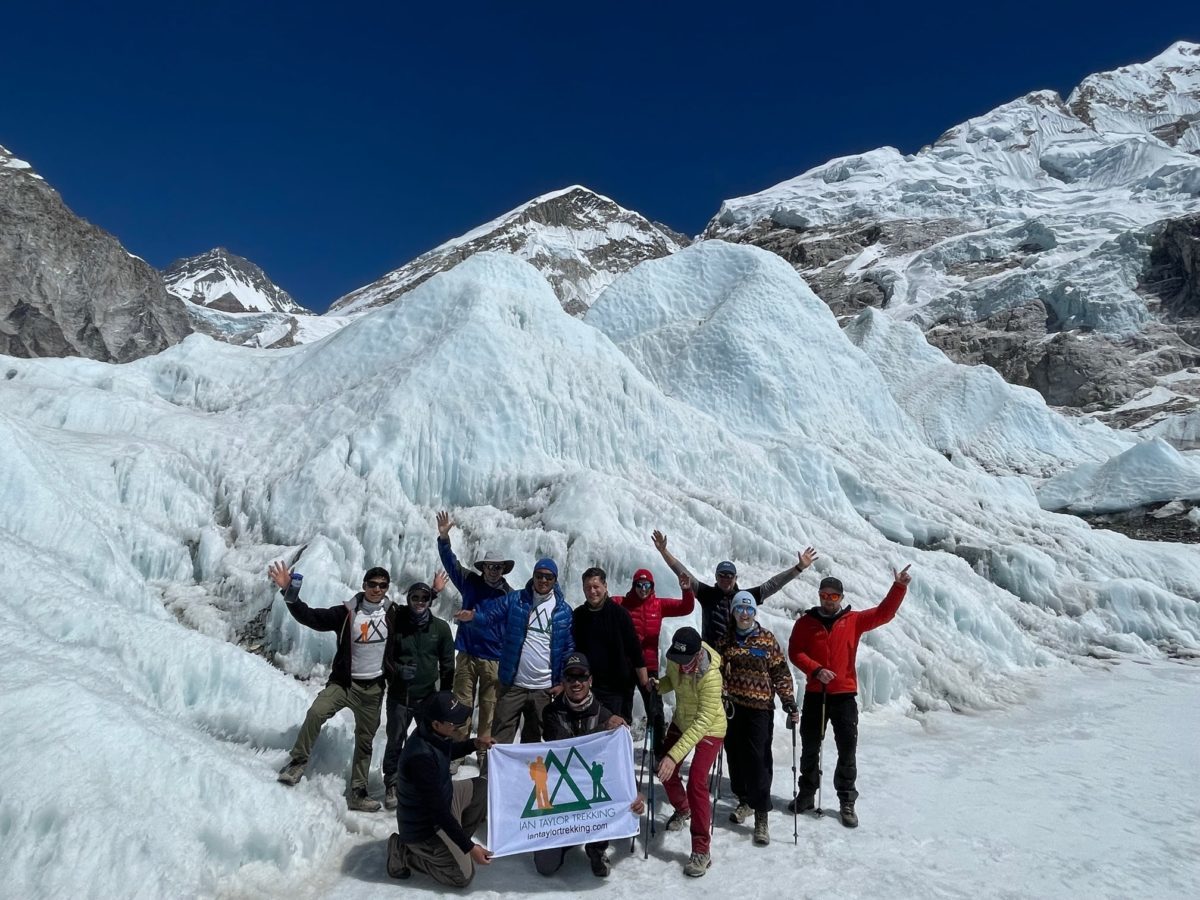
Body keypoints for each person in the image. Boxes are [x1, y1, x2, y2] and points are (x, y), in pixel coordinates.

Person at [787, 565, 912, 828]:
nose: (828, 600)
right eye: (825, 595)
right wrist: (816, 669)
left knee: (847, 750)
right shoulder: (805, 623)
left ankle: (846, 800)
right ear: (819, 595)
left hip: (844, 696)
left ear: (841, 598)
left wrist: (899, 587)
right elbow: (795, 651)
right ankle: (807, 794)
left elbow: (884, 613)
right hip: (815, 694)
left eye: (834, 596)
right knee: (810, 746)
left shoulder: (853, 620)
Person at [269, 561, 392, 811]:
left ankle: (358, 792)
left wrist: (432, 593)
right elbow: (311, 617)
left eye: (382, 585)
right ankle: (297, 762)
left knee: (365, 740)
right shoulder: (346, 613)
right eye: (372, 584)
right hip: (345, 684)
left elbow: (418, 612)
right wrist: (289, 592)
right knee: (317, 712)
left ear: (387, 588)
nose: (377, 589)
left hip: (373, 689)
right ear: (364, 585)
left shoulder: (393, 614)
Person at [534, 652, 645, 878]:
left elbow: (618, 762)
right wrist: (602, 730)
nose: (576, 683)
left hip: (591, 793)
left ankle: (596, 846)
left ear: (590, 680)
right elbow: (565, 748)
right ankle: (566, 839)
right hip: (562, 795)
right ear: (563, 681)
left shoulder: (605, 714)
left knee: (604, 796)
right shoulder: (552, 713)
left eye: (581, 677)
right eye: (570, 677)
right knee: (545, 866)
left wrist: (635, 793)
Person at [454, 557, 574, 744]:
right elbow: (491, 617)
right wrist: (473, 616)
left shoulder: (564, 611)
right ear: (533, 576)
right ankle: (489, 774)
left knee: (533, 740)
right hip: (513, 684)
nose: (543, 580)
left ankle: (525, 775)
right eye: (539, 576)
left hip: (543, 688)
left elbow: (567, 649)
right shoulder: (515, 599)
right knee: (499, 737)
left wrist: (562, 682)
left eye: (548, 577)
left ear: (555, 580)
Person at [387, 692, 494, 887]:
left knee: (483, 788)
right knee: (463, 876)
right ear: (436, 724)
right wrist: (469, 847)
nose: (457, 725)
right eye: (453, 722)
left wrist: (474, 744)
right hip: (425, 828)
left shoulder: (433, 734)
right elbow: (439, 814)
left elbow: (447, 750)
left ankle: (453, 843)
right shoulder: (420, 758)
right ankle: (405, 853)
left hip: (444, 797)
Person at [719, 591, 798, 846]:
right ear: (733, 612)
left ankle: (761, 815)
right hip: (732, 709)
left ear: (754, 613)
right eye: (740, 609)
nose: (744, 613)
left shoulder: (766, 639)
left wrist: (788, 701)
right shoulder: (726, 640)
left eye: (748, 609)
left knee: (758, 760)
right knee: (735, 756)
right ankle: (744, 801)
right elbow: (717, 672)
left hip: (759, 710)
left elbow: (781, 673)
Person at [652, 529, 818, 646]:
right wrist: (664, 551)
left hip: (738, 656)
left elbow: (773, 585)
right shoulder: (707, 594)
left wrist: (799, 568)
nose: (725, 579)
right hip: (711, 657)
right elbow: (683, 573)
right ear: (716, 577)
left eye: (729, 576)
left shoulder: (745, 597)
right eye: (722, 575)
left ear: (735, 578)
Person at [436, 510, 511, 766]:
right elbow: (451, 563)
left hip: (493, 658)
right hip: (467, 653)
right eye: (489, 567)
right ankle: (457, 750)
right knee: (462, 704)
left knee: (489, 707)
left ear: (503, 570)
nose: (492, 571)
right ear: (484, 568)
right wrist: (444, 538)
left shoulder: (508, 595)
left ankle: (484, 751)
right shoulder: (470, 581)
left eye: (497, 567)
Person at [652, 626, 726, 878]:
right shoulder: (675, 660)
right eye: (677, 660)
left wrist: (675, 756)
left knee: (696, 780)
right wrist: (658, 686)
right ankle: (683, 808)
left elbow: (704, 720)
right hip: (683, 720)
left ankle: (701, 850)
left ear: (698, 654)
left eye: (687, 661)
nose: (681, 666)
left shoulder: (712, 677)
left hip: (710, 728)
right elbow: (672, 681)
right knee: (663, 767)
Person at [381, 575, 455, 811]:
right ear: (409, 599)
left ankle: (431, 780)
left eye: (425, 598)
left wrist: (445, 697)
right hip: (399, 696)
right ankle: (392, 782)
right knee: (395, 740)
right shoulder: (398, 622)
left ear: (430, 600)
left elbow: (447, 665)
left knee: (431, 741)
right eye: (415, 597)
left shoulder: (441, 628)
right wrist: (398, 670)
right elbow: (384, 658)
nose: (420, 601)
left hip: (428, 698)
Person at [612, 567, 695, 758]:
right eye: (639, 585)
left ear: (652, 586)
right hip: (625, 666)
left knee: (656, 712)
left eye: (647, 585)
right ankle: (618, 752)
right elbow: (601, 604)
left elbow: (686, 607)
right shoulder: (622, 603)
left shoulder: (658, 605)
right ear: (634, 586)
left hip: (649, 668)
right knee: (622, 710)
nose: (643, 589)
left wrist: (687, 590)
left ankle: (659, 753)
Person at [571, 566, 647, 722]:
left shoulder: (620, 614)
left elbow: (635, 651)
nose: (592, 591)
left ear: (605, 586)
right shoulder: (579, 615)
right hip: (589, 687)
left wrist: (645, 683)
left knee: (616, 732)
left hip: (618, 689)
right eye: (588, 588)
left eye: (596, 587)